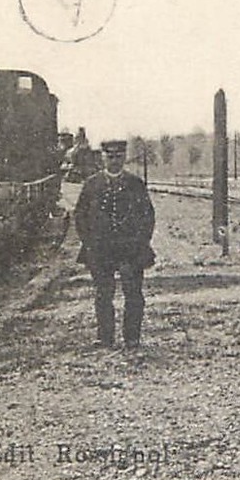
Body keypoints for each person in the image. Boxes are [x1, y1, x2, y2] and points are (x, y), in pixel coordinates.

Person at [73, 140, 156, 348]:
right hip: (101, 250)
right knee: (103, 294)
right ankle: (105, 337)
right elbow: (80, 216)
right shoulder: (92, 185)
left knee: (134, 294)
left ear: (124, 157)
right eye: (110, 157)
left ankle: (132, 338)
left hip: (130, 250)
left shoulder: (135, 184)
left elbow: (147, 216)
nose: (114, 161)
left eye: (118, 157)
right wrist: (90, 242)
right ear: (102, 158)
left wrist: (140, 243)